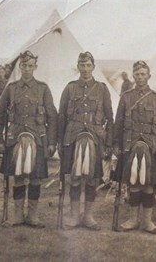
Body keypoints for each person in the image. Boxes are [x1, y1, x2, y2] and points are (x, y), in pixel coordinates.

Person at [0, 51, 58, 227]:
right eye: (24, 65)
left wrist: (52, 142)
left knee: (36, 177)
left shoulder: (43, 88)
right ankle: (17, 216)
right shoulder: (11, 88)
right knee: (18, 177)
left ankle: (33, 216)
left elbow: (52, 116)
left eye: (31, 66)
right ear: (20, 66)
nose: (27, 69)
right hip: (15, 139)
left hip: (37, 139)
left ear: (35, 67)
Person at [58, 52, 114, 231]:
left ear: (93, 67)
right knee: (74, 178)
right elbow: (61, 118)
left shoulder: (102, 89)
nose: (85, 69)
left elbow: (109, 118)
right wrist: (60, 142)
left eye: (88, 65)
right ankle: (74, 216)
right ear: (78, 66)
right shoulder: (70, 88)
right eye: (82, 65)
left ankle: (88, 216)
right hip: (73, 137)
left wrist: (108, 143)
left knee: (92, 179)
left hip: (95, 137)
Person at [113, 61, 156, 234]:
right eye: (137, 74)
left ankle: (147, 222)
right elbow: (118, 123)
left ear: (149, 76)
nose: (140, 77)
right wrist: (116, 144)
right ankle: (132, 220)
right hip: (130, 147)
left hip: (150, 148)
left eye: (143, 74)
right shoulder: (126, 97)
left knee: (148, 185)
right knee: (133, 184)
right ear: (133, 76)